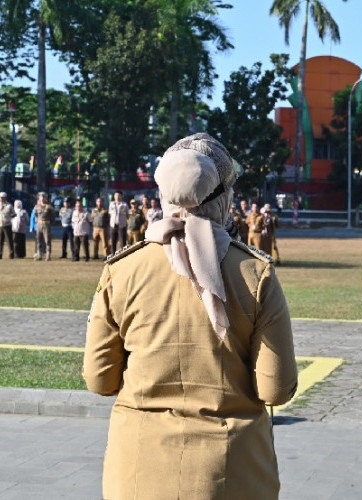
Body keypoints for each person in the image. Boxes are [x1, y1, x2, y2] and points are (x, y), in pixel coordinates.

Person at [83, 133, 297, 499]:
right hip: (231, 473)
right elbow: (276, 389)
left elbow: (99, 380)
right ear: (224, 197)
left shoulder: (122, 271)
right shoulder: (254, 273)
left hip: (138, 471)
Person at [34, 192, 55, 261]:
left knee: (47, 241)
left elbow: (53, 216)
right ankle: (39, 254)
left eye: (43, 197)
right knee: (39, 240)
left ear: (46, 198)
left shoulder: (49, 207)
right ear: (39, 198)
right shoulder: (37, 207)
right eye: (41, 197)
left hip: (46, 225)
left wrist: (49, 223)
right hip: (39, 225)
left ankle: (48, 255)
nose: (42, 198)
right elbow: (36, 215)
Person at [0, 192, 15, 259]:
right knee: (0, 241)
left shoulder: (9, 206)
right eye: (0, 197)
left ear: (5, 198)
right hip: (0, 225)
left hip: (7, 225)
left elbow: (14, 214)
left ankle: (11, 255)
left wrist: (8, 218)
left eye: (2, 197)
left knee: (9, 241)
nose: (1, 199)